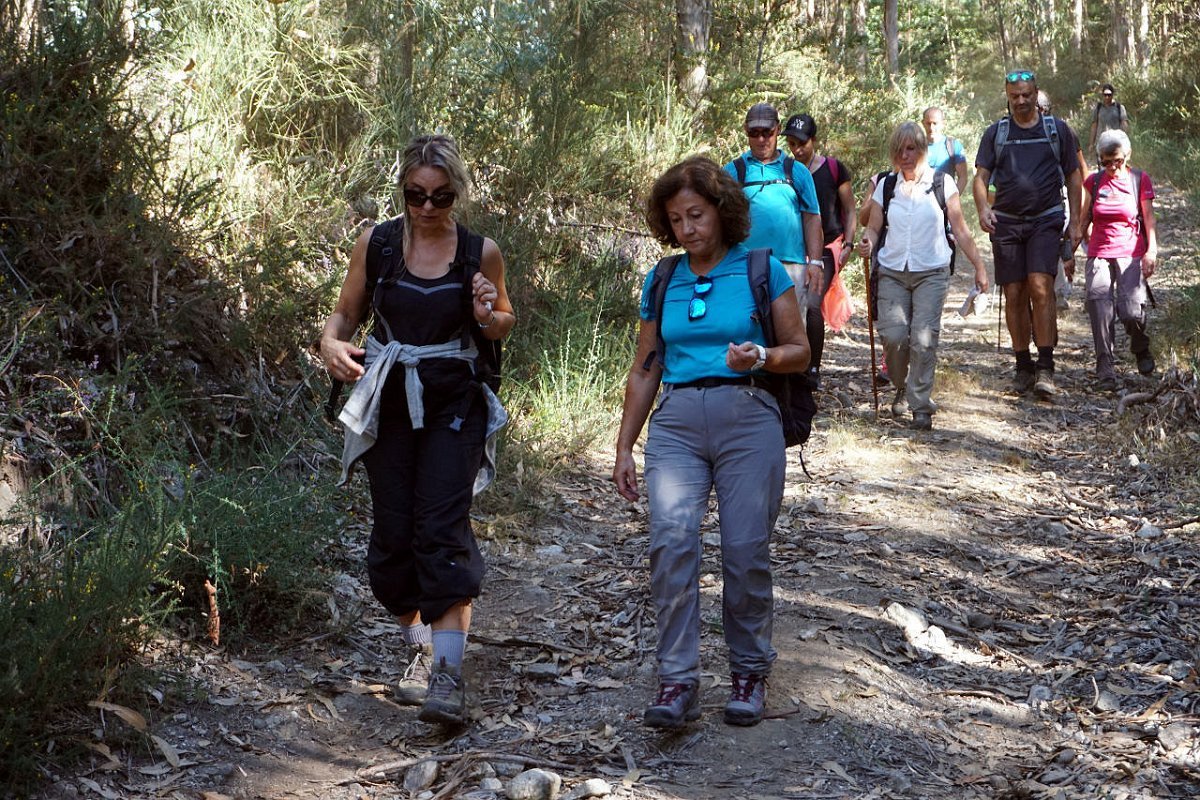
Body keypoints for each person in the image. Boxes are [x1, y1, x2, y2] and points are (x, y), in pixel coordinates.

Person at [320, 133, 515, 726]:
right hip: (389, 403)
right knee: (392, 544)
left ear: (458, 194)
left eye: (441, 196)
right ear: (402, 190)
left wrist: (487, 314)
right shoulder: (378, 245)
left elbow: (503, 320)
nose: (428, 207)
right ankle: (423, 648)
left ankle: (447, 676)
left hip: (454, 402)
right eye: (416, 195)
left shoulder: (479, 252)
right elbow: (346, 312)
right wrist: (329, 343)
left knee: (441, 530)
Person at [613, 156, 809, 729]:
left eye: (696, 215)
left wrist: (762, 355)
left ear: (722, 210)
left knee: (744, 550)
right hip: (675, 421)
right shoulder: (663, 278)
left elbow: (798, 351)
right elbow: (646, 365)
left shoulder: (762, 269)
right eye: (676, 220)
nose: (687, 229)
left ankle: (749, 671)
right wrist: (624, 446)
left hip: (749, 417)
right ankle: (677, 680)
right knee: (672, 545)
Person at [857, 122, 989, 430]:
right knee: (893, 336)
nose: (905, 155)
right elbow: (873, 227)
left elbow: (961, 230)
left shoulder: (942, 183)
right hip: (892, 270)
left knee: (923, 338)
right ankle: (901, 385)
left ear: (922, 150)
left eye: (911, 149)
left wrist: (980, 267)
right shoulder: (886, 186)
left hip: (931, 271)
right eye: (899, 150)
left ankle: (920, 405)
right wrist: (867, 243)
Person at [973, 69, 1083, 399]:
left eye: (1026, 94)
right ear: (1007, 97)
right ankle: (1023, 366)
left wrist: (1076, 222)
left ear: (1036, 93)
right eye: (1014, 96)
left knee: (1040, 285)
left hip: (1045, 219)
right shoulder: (996, 133)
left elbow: (1074, 177)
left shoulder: (1057, 130)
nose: (1021, 101)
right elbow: (980, 177)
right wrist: (983, 208)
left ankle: (1045, 367)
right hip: (1006, 223)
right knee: (1015, 292)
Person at [725, 103, 825, 384]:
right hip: (745, 266)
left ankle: (791, 391)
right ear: (746, 132)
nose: (761, 139)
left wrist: (815, 263)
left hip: (791, 266)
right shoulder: (733, 172)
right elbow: (718, 219)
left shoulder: (797, 172)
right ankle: (749, 386)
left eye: (767, 132)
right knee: (746, 326)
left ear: (778, 131)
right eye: (754, 133)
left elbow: (812, 218)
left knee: (791, 332)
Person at [782, 113, 856, 384]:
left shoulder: (834, 169)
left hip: (827, 247)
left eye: (802, 143)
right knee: (790, 304)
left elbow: (850, 209)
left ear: (814, 140)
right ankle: (790, 363)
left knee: (813, 303)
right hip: (794, 248)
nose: (797, 150)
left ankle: (812, 368)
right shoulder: (785, 172)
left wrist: (848, 244)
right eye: (792, 144)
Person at [1081, 129, 1158, 390]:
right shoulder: (1093, 182)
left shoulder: (1139, 179)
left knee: (1131, 311)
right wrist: (1069, 251)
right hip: (1099, 252)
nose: (1113, 167)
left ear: (1128, 156)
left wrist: (1151, 251)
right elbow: (1084, 217)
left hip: (1130, 251)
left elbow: (1149, 218)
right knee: (1099, 307)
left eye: (1118, 161)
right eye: (1106, 162)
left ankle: (1140, 344)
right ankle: (1105, 369)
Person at [1037, 89, 1089, 311]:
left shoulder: (1062, 131)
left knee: (1061, 243)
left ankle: (1059, 291)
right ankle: (1051, 291)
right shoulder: (1016, 131)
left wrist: (1085, 204)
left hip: (1062, 195)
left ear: (1044, 109)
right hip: (1033, 202)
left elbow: (1080, 169)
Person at [922, 107, 969, 194]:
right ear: (923, 123)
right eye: (928, 123)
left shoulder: (953, 146)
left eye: (935, 123)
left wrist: (953, 198)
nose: (931, 127)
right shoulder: (916, 147)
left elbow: (963, 177)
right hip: (920, 198)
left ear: (943, 124)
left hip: (945, 198)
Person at [1089, 83, 1129, 154]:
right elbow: (1094, 126)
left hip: (1115, 142)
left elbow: (1124, 124)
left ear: (1112, 95)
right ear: (1102, 95)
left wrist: (1125, 140)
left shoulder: (1119, 108)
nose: (1107, 97)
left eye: (1109, 95)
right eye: (1105, 95)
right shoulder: (1098, 108)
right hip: (1101, 142)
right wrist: (1091, 144)